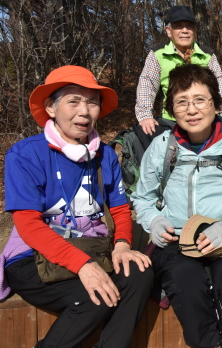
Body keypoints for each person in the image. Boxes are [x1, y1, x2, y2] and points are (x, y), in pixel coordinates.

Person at [0, 65, 153, 347]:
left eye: (92, 102)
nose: (84, 111)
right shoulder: (25, 154)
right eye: (73, 101)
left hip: (90, 248)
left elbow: (120, 209)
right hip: (33, 257)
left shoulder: (105, 155)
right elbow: (28, 225)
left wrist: (122, 245)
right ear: (51, 107)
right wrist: (83, 266)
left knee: (139, 274)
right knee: (94, 298)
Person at [131, 64, 222, 348]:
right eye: (181, 102)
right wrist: (155, 221)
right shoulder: (162, 147)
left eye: (200, 100)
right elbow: (143, 198)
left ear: (216, 104)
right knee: (186, 283)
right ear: (171, 110)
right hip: (176, 238)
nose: (192, 110)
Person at [135, 5, 222, 135]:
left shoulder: (207, 55)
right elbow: (147, 85)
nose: (185, 30)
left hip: (204, 121)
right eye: (179, 26)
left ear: (195, 30)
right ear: (169, 31)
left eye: (189, 26)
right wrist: (146, 116)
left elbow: (219, 89)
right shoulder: (158, 54)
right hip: (170, 122)